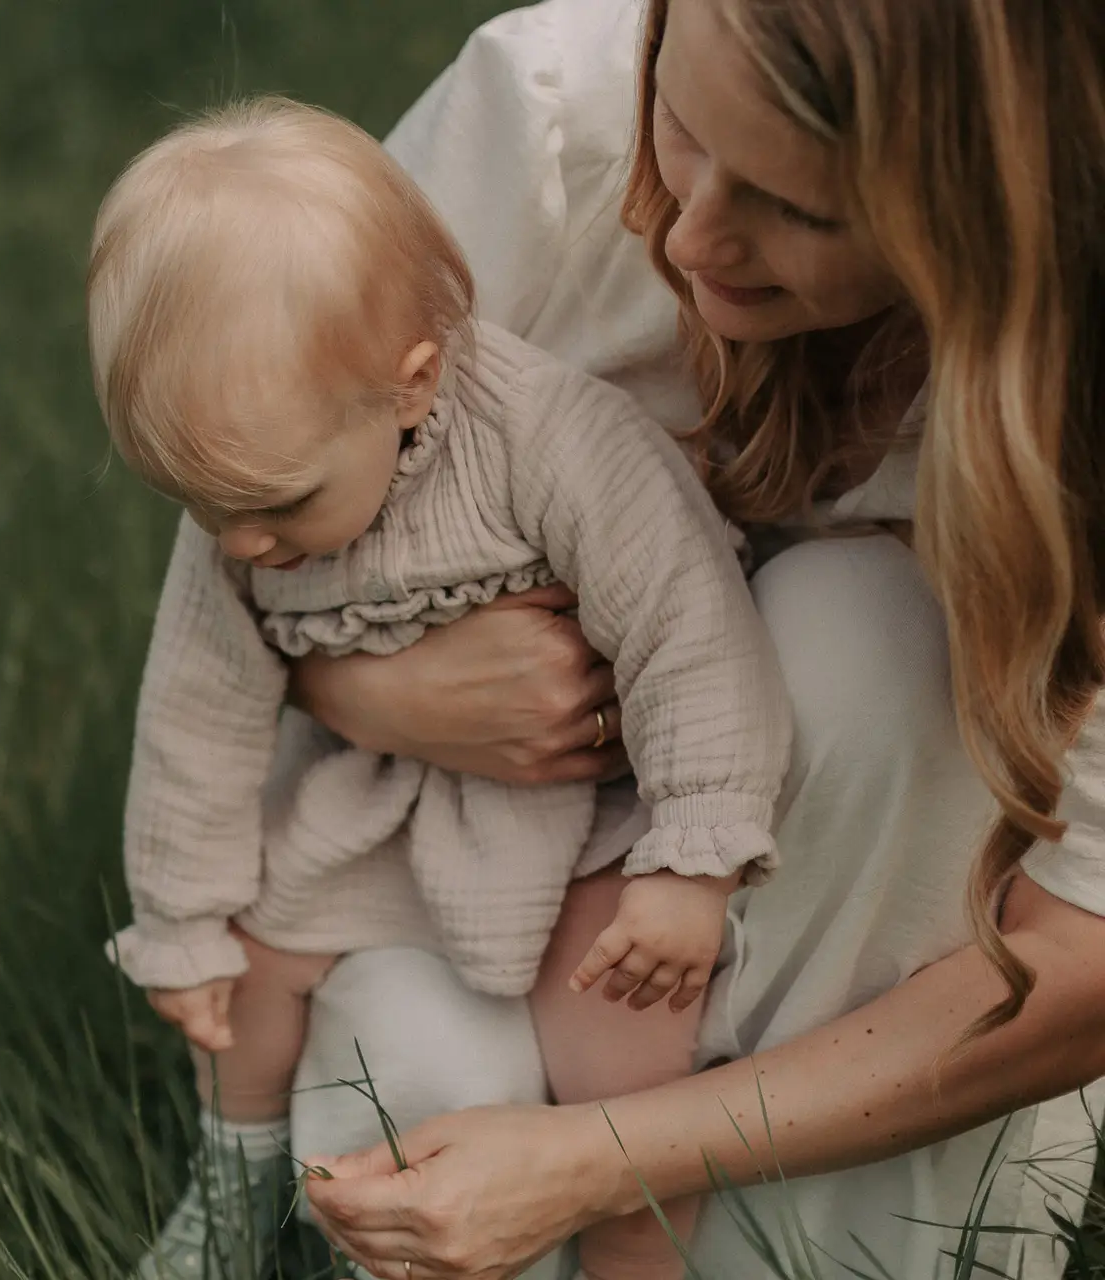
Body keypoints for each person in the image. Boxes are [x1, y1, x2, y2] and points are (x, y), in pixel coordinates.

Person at [284, 0, 1105, 1277]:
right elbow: (244, 483)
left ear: (982, 218)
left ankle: (792, 1237)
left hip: (879, 923)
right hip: (480, 838)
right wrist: (360, 684)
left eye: (800, 208)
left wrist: (607, 1160)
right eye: (680, 120)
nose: (688, 227)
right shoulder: (549, 115)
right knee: (431, 1077)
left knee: (875, 639)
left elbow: (1081, 966)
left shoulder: (1079, 377)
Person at [85, 97, 794, 1280]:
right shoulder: (246, 496)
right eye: (208, 509)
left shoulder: (553, 441)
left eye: (276, 506)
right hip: (388, 800)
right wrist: (183, 915)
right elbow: (197, 709)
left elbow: (689, 633)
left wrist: (694, 858)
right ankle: (234, 1182)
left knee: (622, 1051)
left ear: (412, 386)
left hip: (587, 823)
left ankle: (637, 1244)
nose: (245, 545)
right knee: (246, 969)